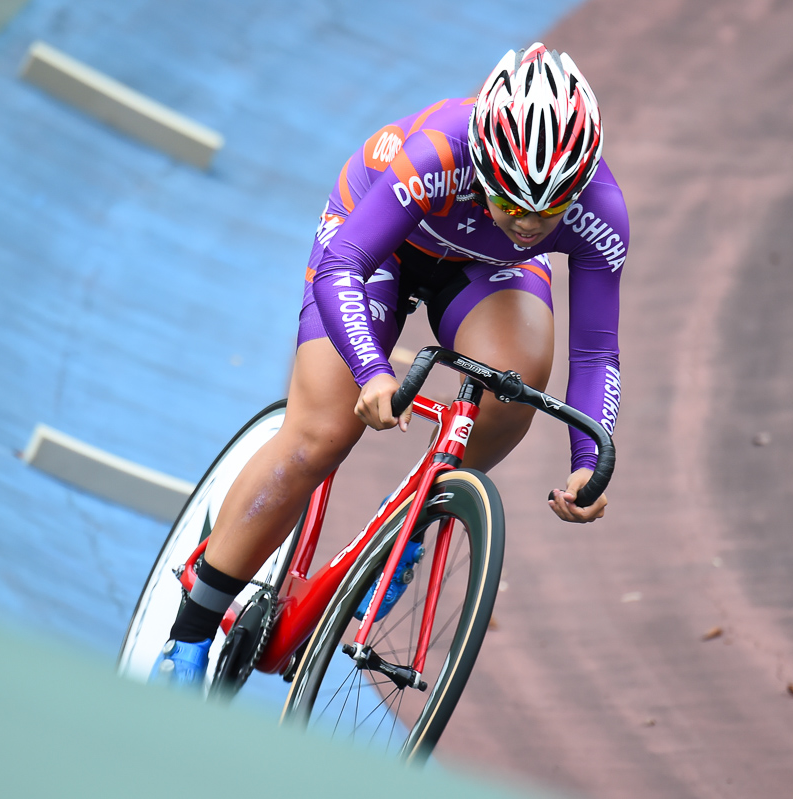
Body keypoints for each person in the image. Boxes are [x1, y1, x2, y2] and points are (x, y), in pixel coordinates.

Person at [156, 43, 628, 685]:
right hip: (376, 242)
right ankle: (188, 635)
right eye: (511, 205)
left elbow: (596, 351)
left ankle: (412, 513)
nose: (526, 223)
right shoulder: (441, 152)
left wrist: (587, 463)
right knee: (319, 435)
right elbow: (343, 264)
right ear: (484, 165)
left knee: (514, 383)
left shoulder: (600, 210)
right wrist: (373, 370)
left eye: (546, 214)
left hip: (482, 268)